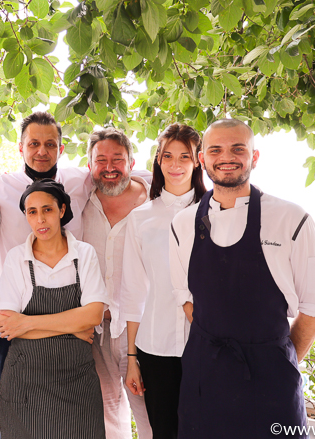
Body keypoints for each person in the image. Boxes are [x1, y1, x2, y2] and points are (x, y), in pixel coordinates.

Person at [169, 119, 315, 439]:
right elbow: (186, 300)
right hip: (205, 379)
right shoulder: (182, 223)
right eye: (215, 149)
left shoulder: (291, 219)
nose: (226, 157)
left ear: (254, 157)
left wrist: (272, 356)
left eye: (237, 149)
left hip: (271, 379)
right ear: (202, 158)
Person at [0, 111, 92, 406]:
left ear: (61, 148)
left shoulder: (80, 180)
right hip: (13, 323)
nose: (42, 151)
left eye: (50, 144)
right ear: (20, 147)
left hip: (70, 321)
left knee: (68, 413)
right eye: (33, 144)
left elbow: (121, 173)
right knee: (15, 410)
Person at [0, 179, 107, 439]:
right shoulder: (16, 258)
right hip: (26, 384)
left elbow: (93, 315)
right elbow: (9, 326)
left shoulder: (84, 254)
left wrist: (29, 323)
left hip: (77, 382)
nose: (40, 219)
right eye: (32, 212)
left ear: (62, 210)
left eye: (47, 209)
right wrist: (71, 328)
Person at [121, 124, 206, 439]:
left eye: (184, 156)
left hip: (206, 344)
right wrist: (132, 359)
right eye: (167, 156)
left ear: (197, 160)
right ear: (157, 160)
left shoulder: (216, 212)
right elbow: (132, 291)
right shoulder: (141, 218)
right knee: (165, 432)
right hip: (155, 347)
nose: (175, 164)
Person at [81, 128, 152, 439]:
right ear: (89, 165)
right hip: (94, 328)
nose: (109, 167)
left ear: (132, 162)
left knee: (148, 410)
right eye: (101, 160)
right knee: (107, 412)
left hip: (139, 329)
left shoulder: (154, 202)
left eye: (117, 160)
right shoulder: (79, 201)